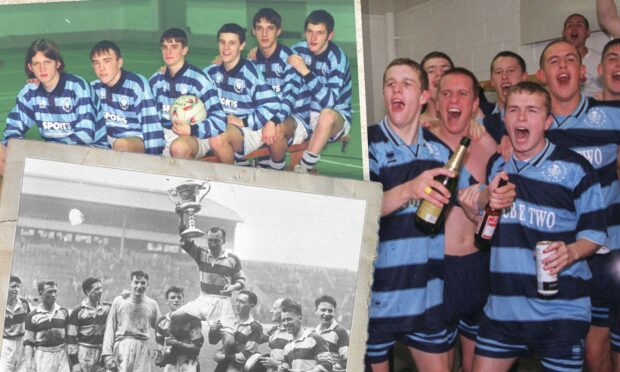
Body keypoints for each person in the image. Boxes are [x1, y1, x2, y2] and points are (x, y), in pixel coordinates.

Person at [366, 58, 513, 372]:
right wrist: (410, 189)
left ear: (422, 97)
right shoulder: (369, 145)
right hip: (378, 297)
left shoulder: (439, 151)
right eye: (391, 83)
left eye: (406, 83)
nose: (397, 89)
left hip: (427, 298)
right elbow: (362, 211)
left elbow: (469, 195)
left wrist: (491, 193)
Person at [467, 81, 607, 372]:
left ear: (547, 121)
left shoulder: (575, 168)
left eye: (531, 111)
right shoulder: (497, 165)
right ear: (504, 119)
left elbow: (594, 234)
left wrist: (570, 253)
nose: (520, 117)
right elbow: (483, 207)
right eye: (514, 110)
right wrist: (485, 198)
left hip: (560, 311)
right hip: (503, 310)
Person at [537, 39, 620, 372]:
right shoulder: (530, 125)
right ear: (543, 75)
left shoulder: (610, 115)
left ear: (582, 72)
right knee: (585, 346)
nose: (562, 66)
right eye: (553, 61)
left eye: (569, 59)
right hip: (563, 255)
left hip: (611, 250)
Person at [429, 67, 502, 372]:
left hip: (476, 264)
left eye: (462, 94)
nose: (453, 99)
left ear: (474, 104)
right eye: (446, 93)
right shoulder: (422, 143)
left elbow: (500, 209)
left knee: (475, 361)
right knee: (439, 361)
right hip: (437, 266)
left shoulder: (491, 146)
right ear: (436, 100)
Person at [0, 38, 107, 176]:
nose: (42, 69)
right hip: (51, 155)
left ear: (58, 63)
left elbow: (85, 135)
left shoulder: (78, 87)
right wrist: (21, 149)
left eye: (47, 62)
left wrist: (46, 151)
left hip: (87, 155)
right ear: (30, 67)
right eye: (36, 64)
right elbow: (12, 130)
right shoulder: (30, 91)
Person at [204, 23, 281, 166]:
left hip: (249, 129)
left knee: (217, 138)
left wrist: (243, 121)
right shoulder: (212, 72)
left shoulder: (250, 73)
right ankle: (239, 165)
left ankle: (232, 181)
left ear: (242, 46)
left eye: (232, 43)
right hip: (224, 126)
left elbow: (273, 104)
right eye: (222, 42)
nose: (226, 48)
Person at [289, 10, 352, 173]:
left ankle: (305, 166)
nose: (313, 38)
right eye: (310, 32)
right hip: (305, 114)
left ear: (330, 35)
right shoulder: (298, 49)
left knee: (327, 115)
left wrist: (306, 71)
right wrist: (256, 56)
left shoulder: (337, 58)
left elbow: (329, 102)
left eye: (320, 33)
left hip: (335, 117)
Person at [149, 28, 227, 159]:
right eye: (164, 47)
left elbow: (219, 120)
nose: (168, 52)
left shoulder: (199, 80)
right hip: (164, 133)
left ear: (184, 50)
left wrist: (192, 129)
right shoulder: (156, 80)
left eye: (174, 47)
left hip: (194, 136)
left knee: (179, 148)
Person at [168, 226, 244, 358]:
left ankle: (223, 357)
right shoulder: (201, 254)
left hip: (222, 302)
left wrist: (232, 287)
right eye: (210, 241)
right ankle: (171, 346)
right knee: (175, 316)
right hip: (204, 299)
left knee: (229, 343)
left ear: (224, 241)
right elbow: (185, 238)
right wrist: (181, 216)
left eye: (216, 241)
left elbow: (241, 281)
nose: (213, 244)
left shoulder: (232, 259)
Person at [250, 8, 310, 170]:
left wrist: (273, 120)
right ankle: (258, 164)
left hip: (295, 117)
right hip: (266, 117)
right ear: (253, 31)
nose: (264, 34)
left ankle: (276, 171)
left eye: (270, 28)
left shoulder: (290, 59)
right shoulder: (252, 62)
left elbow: (289, 99)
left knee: (277, 128)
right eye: (259, 28)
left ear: (278, 31)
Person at [90, 40, 165, 155]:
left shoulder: (136, 85)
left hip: (136, 139)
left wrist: (154, 161)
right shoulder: (94, 88)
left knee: (121, 145)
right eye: (96, 63)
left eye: (107, 61)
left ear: (119, 63)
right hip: (108, 139)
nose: (101, 68)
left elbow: (151, 127)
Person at [101, 270, 161, 372]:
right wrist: (107, 354)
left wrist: (160, 348)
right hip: (123, 346)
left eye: (143, 283)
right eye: (136, 282)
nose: (139, 286)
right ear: (130, 283)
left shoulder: (152, 304)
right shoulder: (120, 301)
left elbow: (160, 329)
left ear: (148, 284)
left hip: (143, 348)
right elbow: (110, 328)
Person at [209, 289, 263, 372]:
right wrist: (213, 331)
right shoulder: (229, 321)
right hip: (222, 366)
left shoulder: (254, 327)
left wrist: (224, 357)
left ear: (251, 305)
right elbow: (213, 341)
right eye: (237, 301)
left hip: (237, 368)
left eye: (241, 302)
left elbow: (248, 355)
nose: (237, 304)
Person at [23, 280, 71, 372]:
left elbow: (67, 338)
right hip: (43, 356)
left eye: (55, 291)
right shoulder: (32, 315)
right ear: (40, 293)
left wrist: (69, 357)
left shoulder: (63, 312)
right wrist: (29, 365)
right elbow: (28, 343)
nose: (53, 294)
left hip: (61, 355)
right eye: (49, 291)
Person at [66, 277, 111, 372]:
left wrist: (124, 296)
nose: (101, 291)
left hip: (101, 352)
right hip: (84, 353)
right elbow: (71, 339)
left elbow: (119, 305)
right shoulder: (78, 311)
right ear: (87, 292)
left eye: (101, 288)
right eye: (97, 289)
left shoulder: (106, 308)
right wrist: (75, 363)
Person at [484, 51, 530, 144]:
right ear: (492, 81)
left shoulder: (538, 117)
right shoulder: (482, 117)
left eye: (511, 70)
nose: (504, 76)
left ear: (524, 77)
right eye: (498, 72)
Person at [155, 286, 203, 372]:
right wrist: (162, 352)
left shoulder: (192, 319)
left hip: (188, 363)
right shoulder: (162, 321)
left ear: (183, 300)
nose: (176, 300)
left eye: (179, 297)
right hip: (170, 364)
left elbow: (196, 347)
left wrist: (176, 343)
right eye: (173, 297)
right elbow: (159, 342)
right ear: (167, 301)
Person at [280, 301, 332, 372]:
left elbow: (327, 365)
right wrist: (283, 368)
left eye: (289, 319)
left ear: (300, 318)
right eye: (283, 320)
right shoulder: (287, 346)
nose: (285, 323)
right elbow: (288, 367)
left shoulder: (315, 339)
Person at [562, 13, 602, 97]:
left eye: (579, 25)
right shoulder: (557, 62)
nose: (574, 28)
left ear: (587, 32)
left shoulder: (601, 60)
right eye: (570, 25)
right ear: (564, 33)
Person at [0, 276, 31, 372]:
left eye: (18, 286)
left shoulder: (24, 303)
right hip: (6, 344)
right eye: (13, 286)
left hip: (22, 342)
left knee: (23, 369)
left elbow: (29, 322)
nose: (16, 289)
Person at [313, 295, 348, 372]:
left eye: (330, 310)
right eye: (323, 310)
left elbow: (347, 360)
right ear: (316, 311)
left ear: (334, 312)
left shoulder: (340, 332)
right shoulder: (314, 333)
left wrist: (326, 369)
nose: (327, 314)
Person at [259, 298, 293, 371]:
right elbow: (258, 339)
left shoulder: (294, 333)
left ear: (283, 311)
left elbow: (298, 363)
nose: (271, 311)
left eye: (274, 308)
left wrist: (277, 364)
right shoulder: (273, 330)